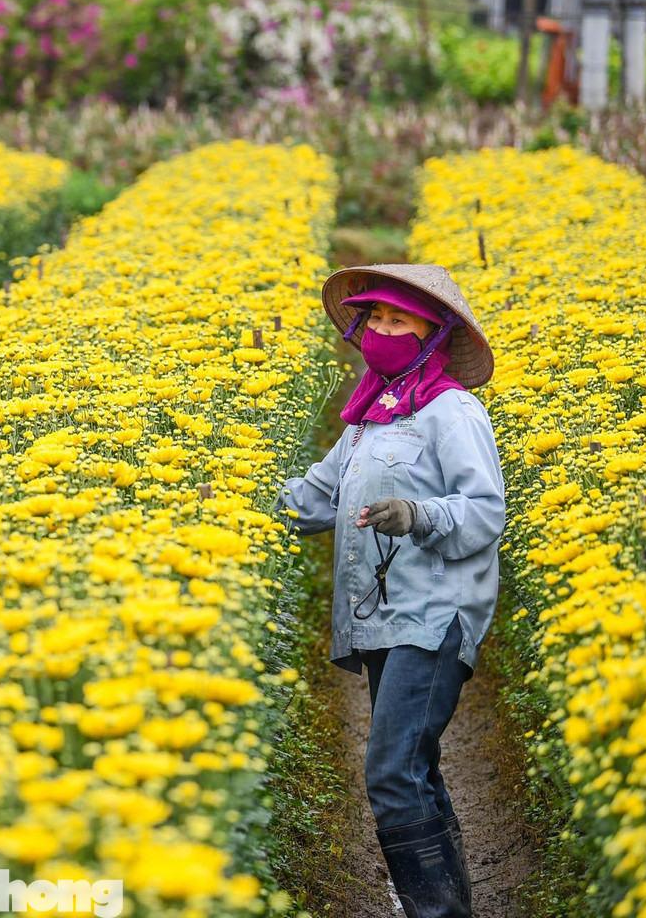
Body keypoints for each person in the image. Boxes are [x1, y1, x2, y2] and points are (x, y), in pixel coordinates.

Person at [274, 264, 505, 918]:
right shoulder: (367, 419)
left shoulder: (452, 412)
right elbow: (314, 499)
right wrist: (221, 500)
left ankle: (431, 911)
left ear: (433, 335)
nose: (381, 329)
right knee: (413, 768)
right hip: (382, 616)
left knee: (391, 773)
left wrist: (420, 514)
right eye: (374, 318)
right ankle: (449, 907)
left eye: (398, 320)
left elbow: (486, 511)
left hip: (433, 617)